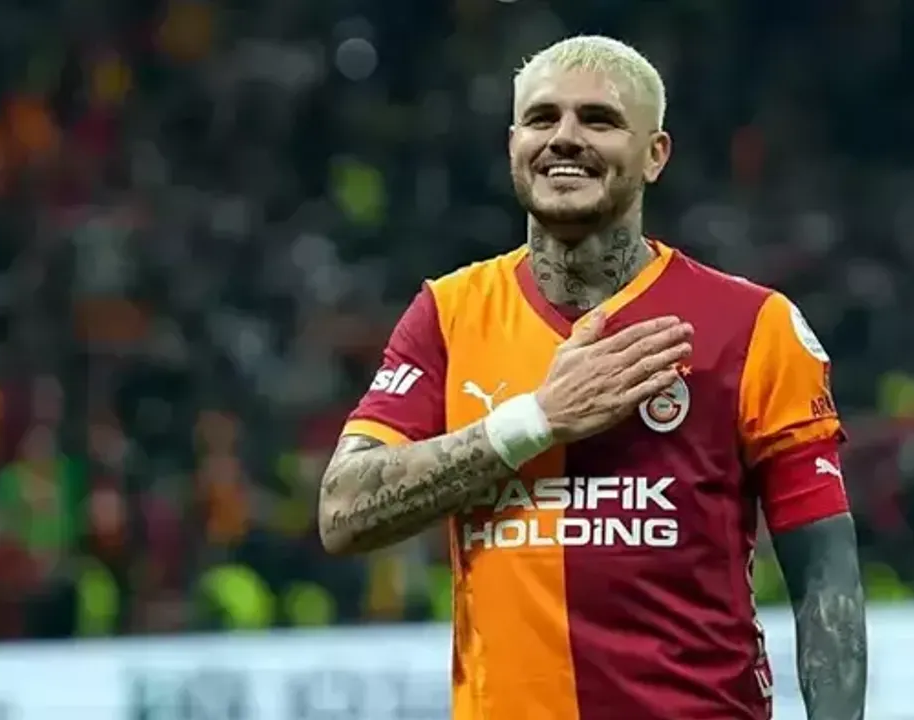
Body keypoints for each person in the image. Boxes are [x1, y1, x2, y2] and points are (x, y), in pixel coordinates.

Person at [318, 35, 867, 720]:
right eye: (542, 118)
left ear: (655, 155)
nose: (565, 138)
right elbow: (343, 513)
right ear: (514, 145)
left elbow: (826, 577)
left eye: (599, 120)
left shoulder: (752, 325)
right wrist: (537, 421)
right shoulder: (449, 315)